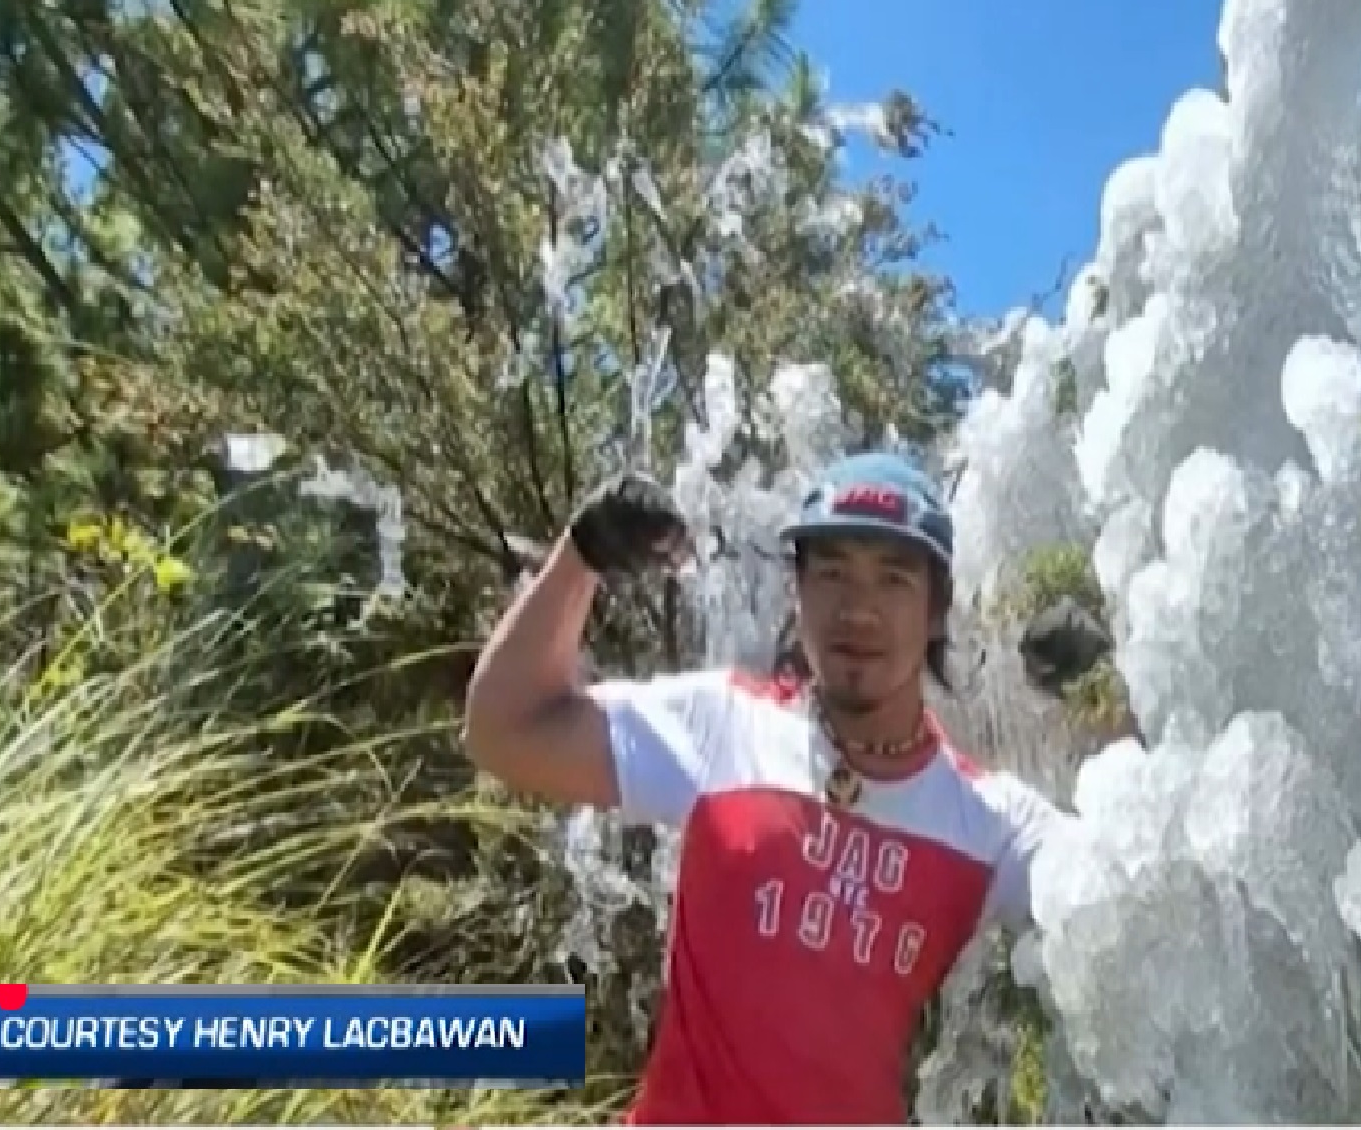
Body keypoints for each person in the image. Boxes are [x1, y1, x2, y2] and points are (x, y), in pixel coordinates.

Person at [462, 451, 1090, 1126]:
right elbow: (503, 731)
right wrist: (579, 556)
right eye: (832, 573)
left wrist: (1110, 696)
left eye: (893, 579)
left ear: (937, 609)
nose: (858, 609)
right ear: (797, 590)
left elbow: (1136, 898)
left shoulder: (989, 824)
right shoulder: (722, 724)